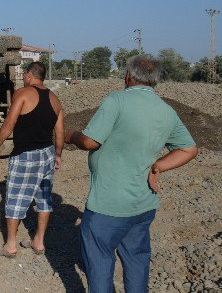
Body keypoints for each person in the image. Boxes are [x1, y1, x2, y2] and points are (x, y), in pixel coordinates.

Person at [65, 54, 197, 292]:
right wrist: (158, 165)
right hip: (143, 205)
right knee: (137, 261)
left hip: (108, 206)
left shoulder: (116, 101)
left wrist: (71, 135)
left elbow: (90, 142)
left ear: (128, 76)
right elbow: (189, 149)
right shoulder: (166, 110)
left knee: (100, 265)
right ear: (154, 80)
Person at [0, 61, 65, 257]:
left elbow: (9, 123)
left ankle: (11, 246)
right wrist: (58, 155)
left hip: (25, 155)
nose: (23, 78)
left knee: (15, 199)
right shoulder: (55, 99)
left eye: (24, 75)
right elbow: (60, 133)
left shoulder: (22, 94)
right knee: (44, 199)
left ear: (29, 75)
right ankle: (39, 242)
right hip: (47, 154)